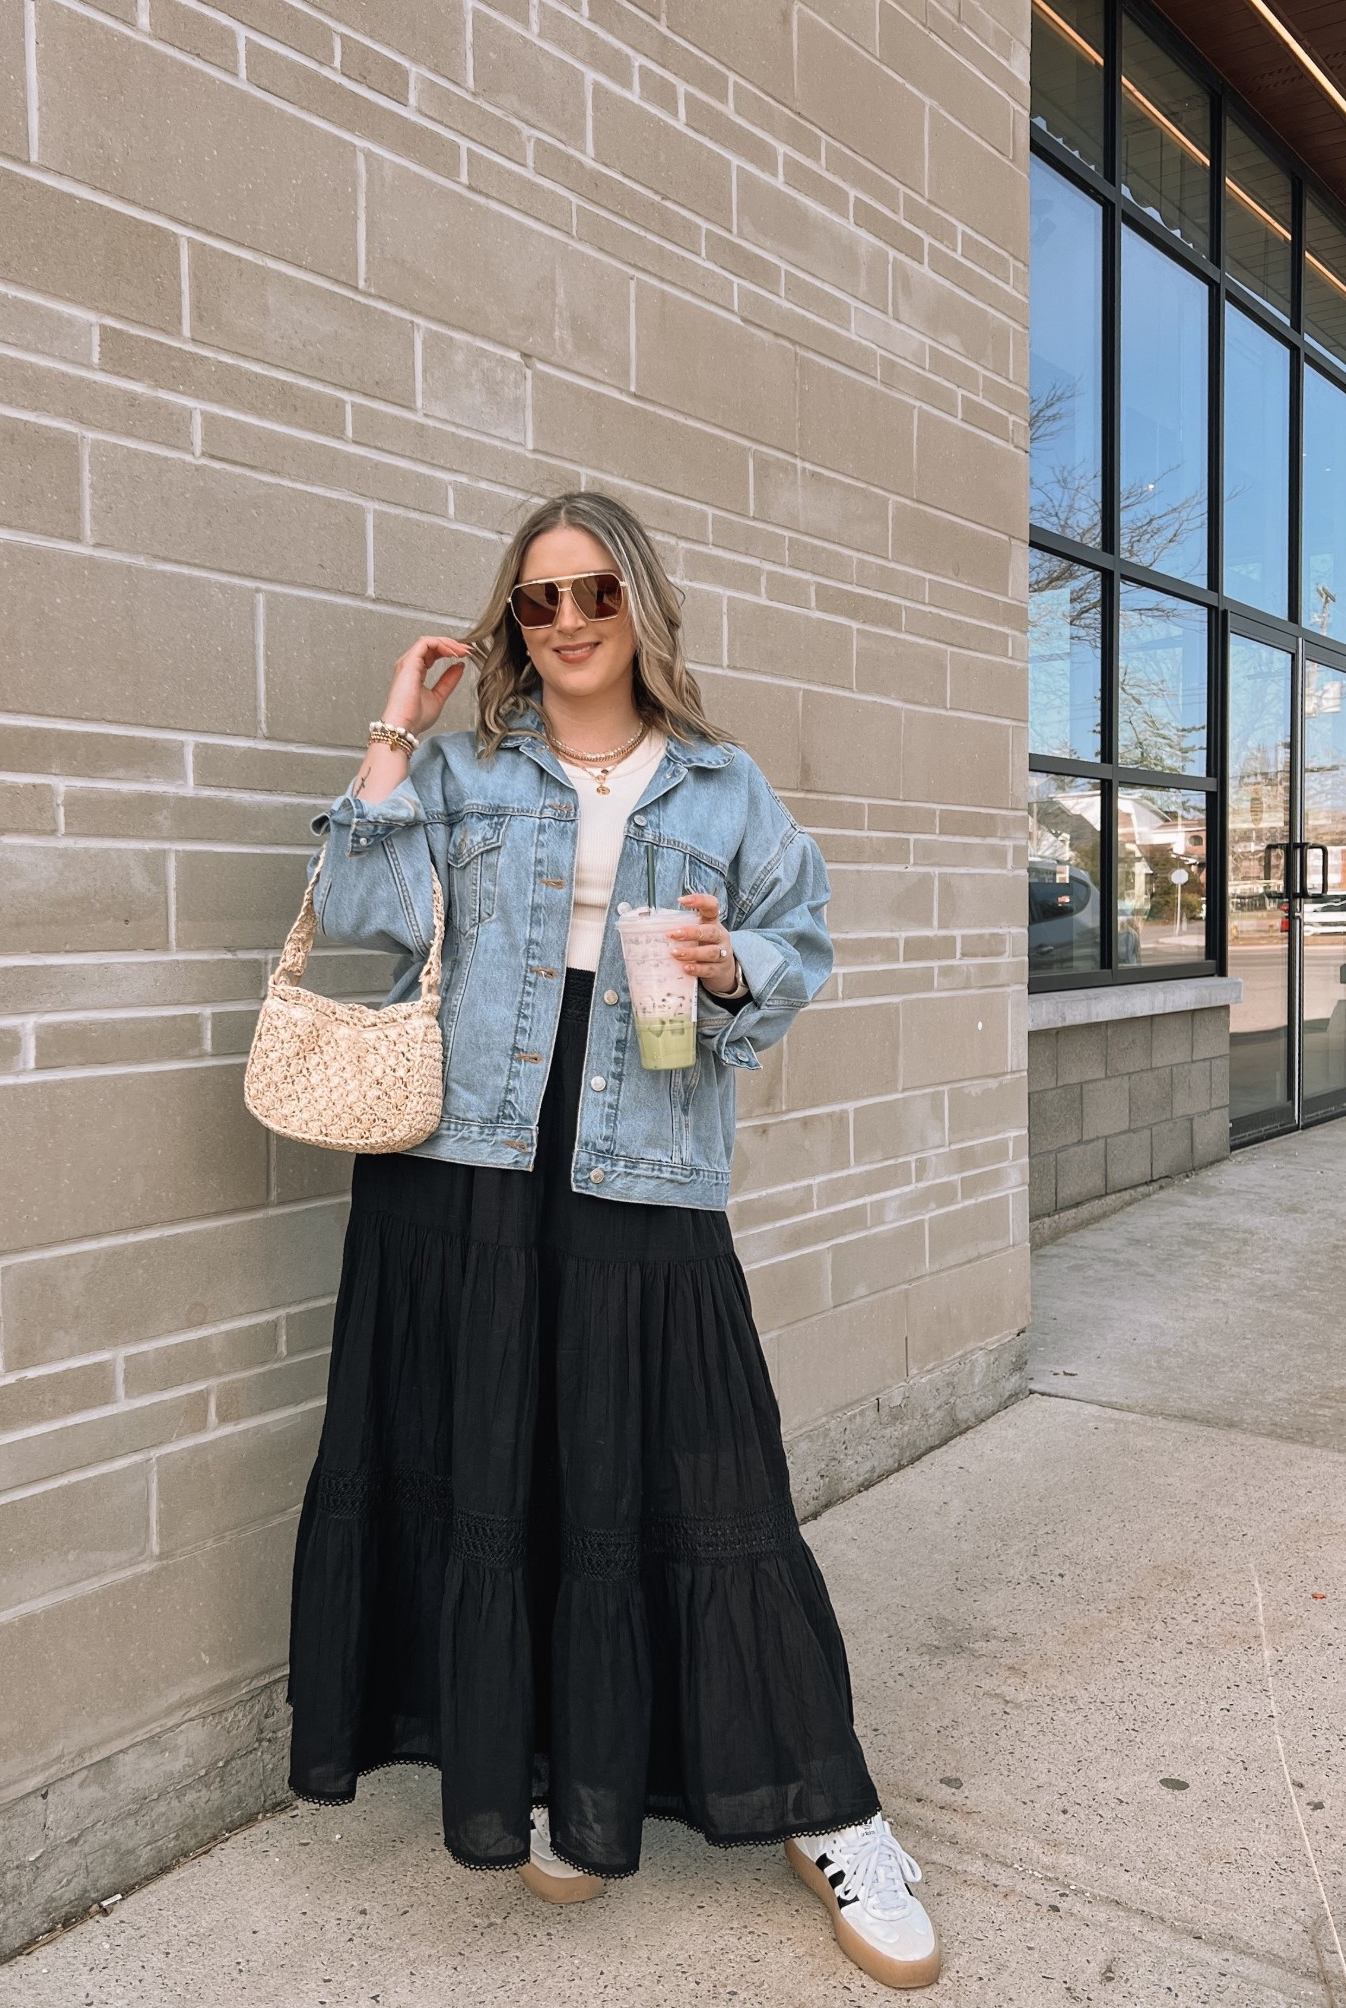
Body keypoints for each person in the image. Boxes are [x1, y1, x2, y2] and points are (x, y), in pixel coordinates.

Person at [284, 490, 940, 1991]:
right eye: (538, 602)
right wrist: (395, 731)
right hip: (463, 1154)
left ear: (641, 603)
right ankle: (557, 1784)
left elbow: (804, 940)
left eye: (593, 594)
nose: (569, 623)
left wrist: (731, 965)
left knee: (714, 1478)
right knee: (499, 1459)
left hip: (644, 1146)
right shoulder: (468, 769)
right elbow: (374, 911)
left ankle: (833, 1811)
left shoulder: (722, 783)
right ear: (514, 621)